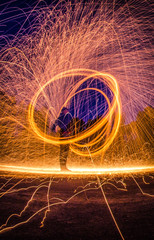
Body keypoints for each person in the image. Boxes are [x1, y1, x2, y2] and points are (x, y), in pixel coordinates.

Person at [51, 107, 72, 172]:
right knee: (63, 151)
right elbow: (55, 125)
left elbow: (70, 125)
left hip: (67, 136)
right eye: (66, 110)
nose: (67, 112)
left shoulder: (68, 117)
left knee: (66, 151)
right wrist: (61, 131)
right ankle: (62, 167)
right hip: (63, 136)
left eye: (68, 110)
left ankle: (64, 166)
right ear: (63, 111)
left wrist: (70, 131)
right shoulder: (61, 118)